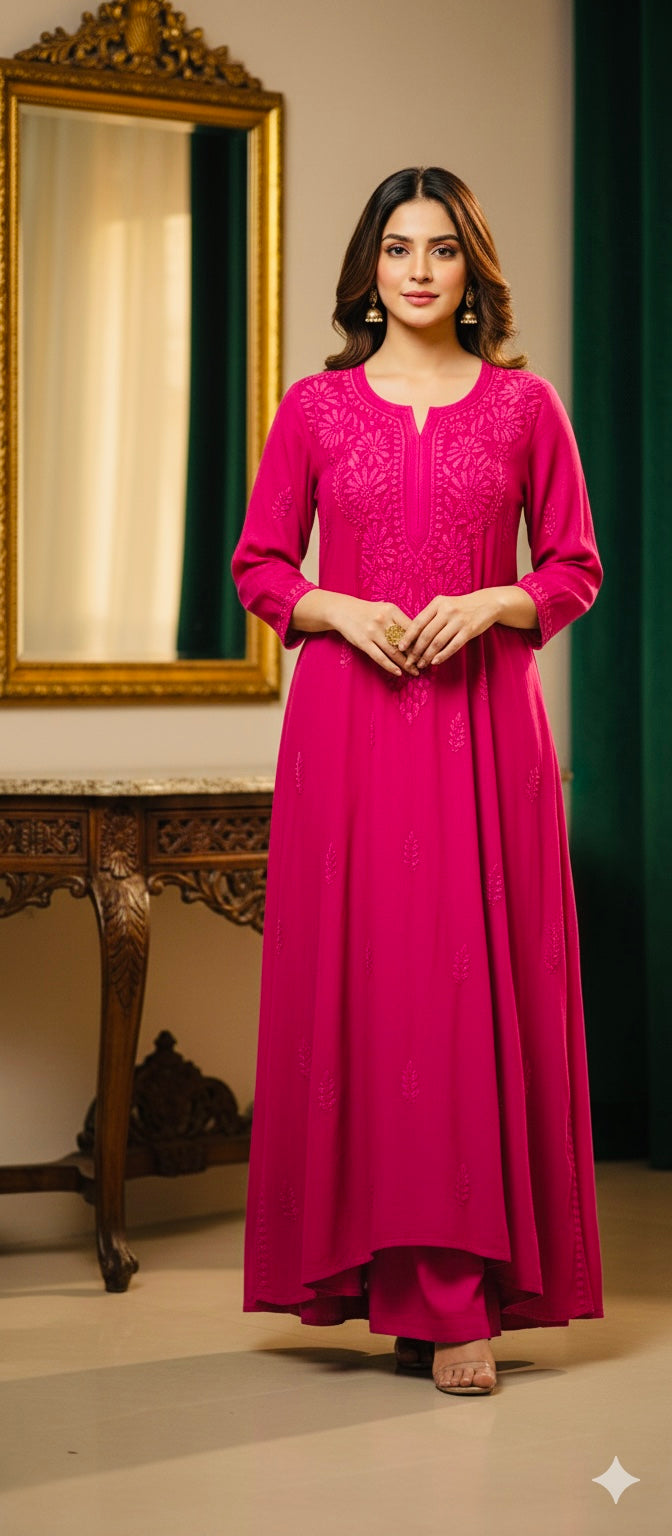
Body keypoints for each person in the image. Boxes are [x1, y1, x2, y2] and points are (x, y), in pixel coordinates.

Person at [231, 166, 605, 1397]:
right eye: (398, 248)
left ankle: (458, 1301)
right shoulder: (317, 408)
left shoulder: (524, 407)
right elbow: (262, 563)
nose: (421, 270)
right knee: (368, 995)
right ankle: (378, 1275)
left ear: (471, 269)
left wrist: (498, 599)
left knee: (460, 999)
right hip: (348, 723)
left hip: (482, 721)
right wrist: (330, 603)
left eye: (443, 249)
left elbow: (573, 565)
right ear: (371, 268)